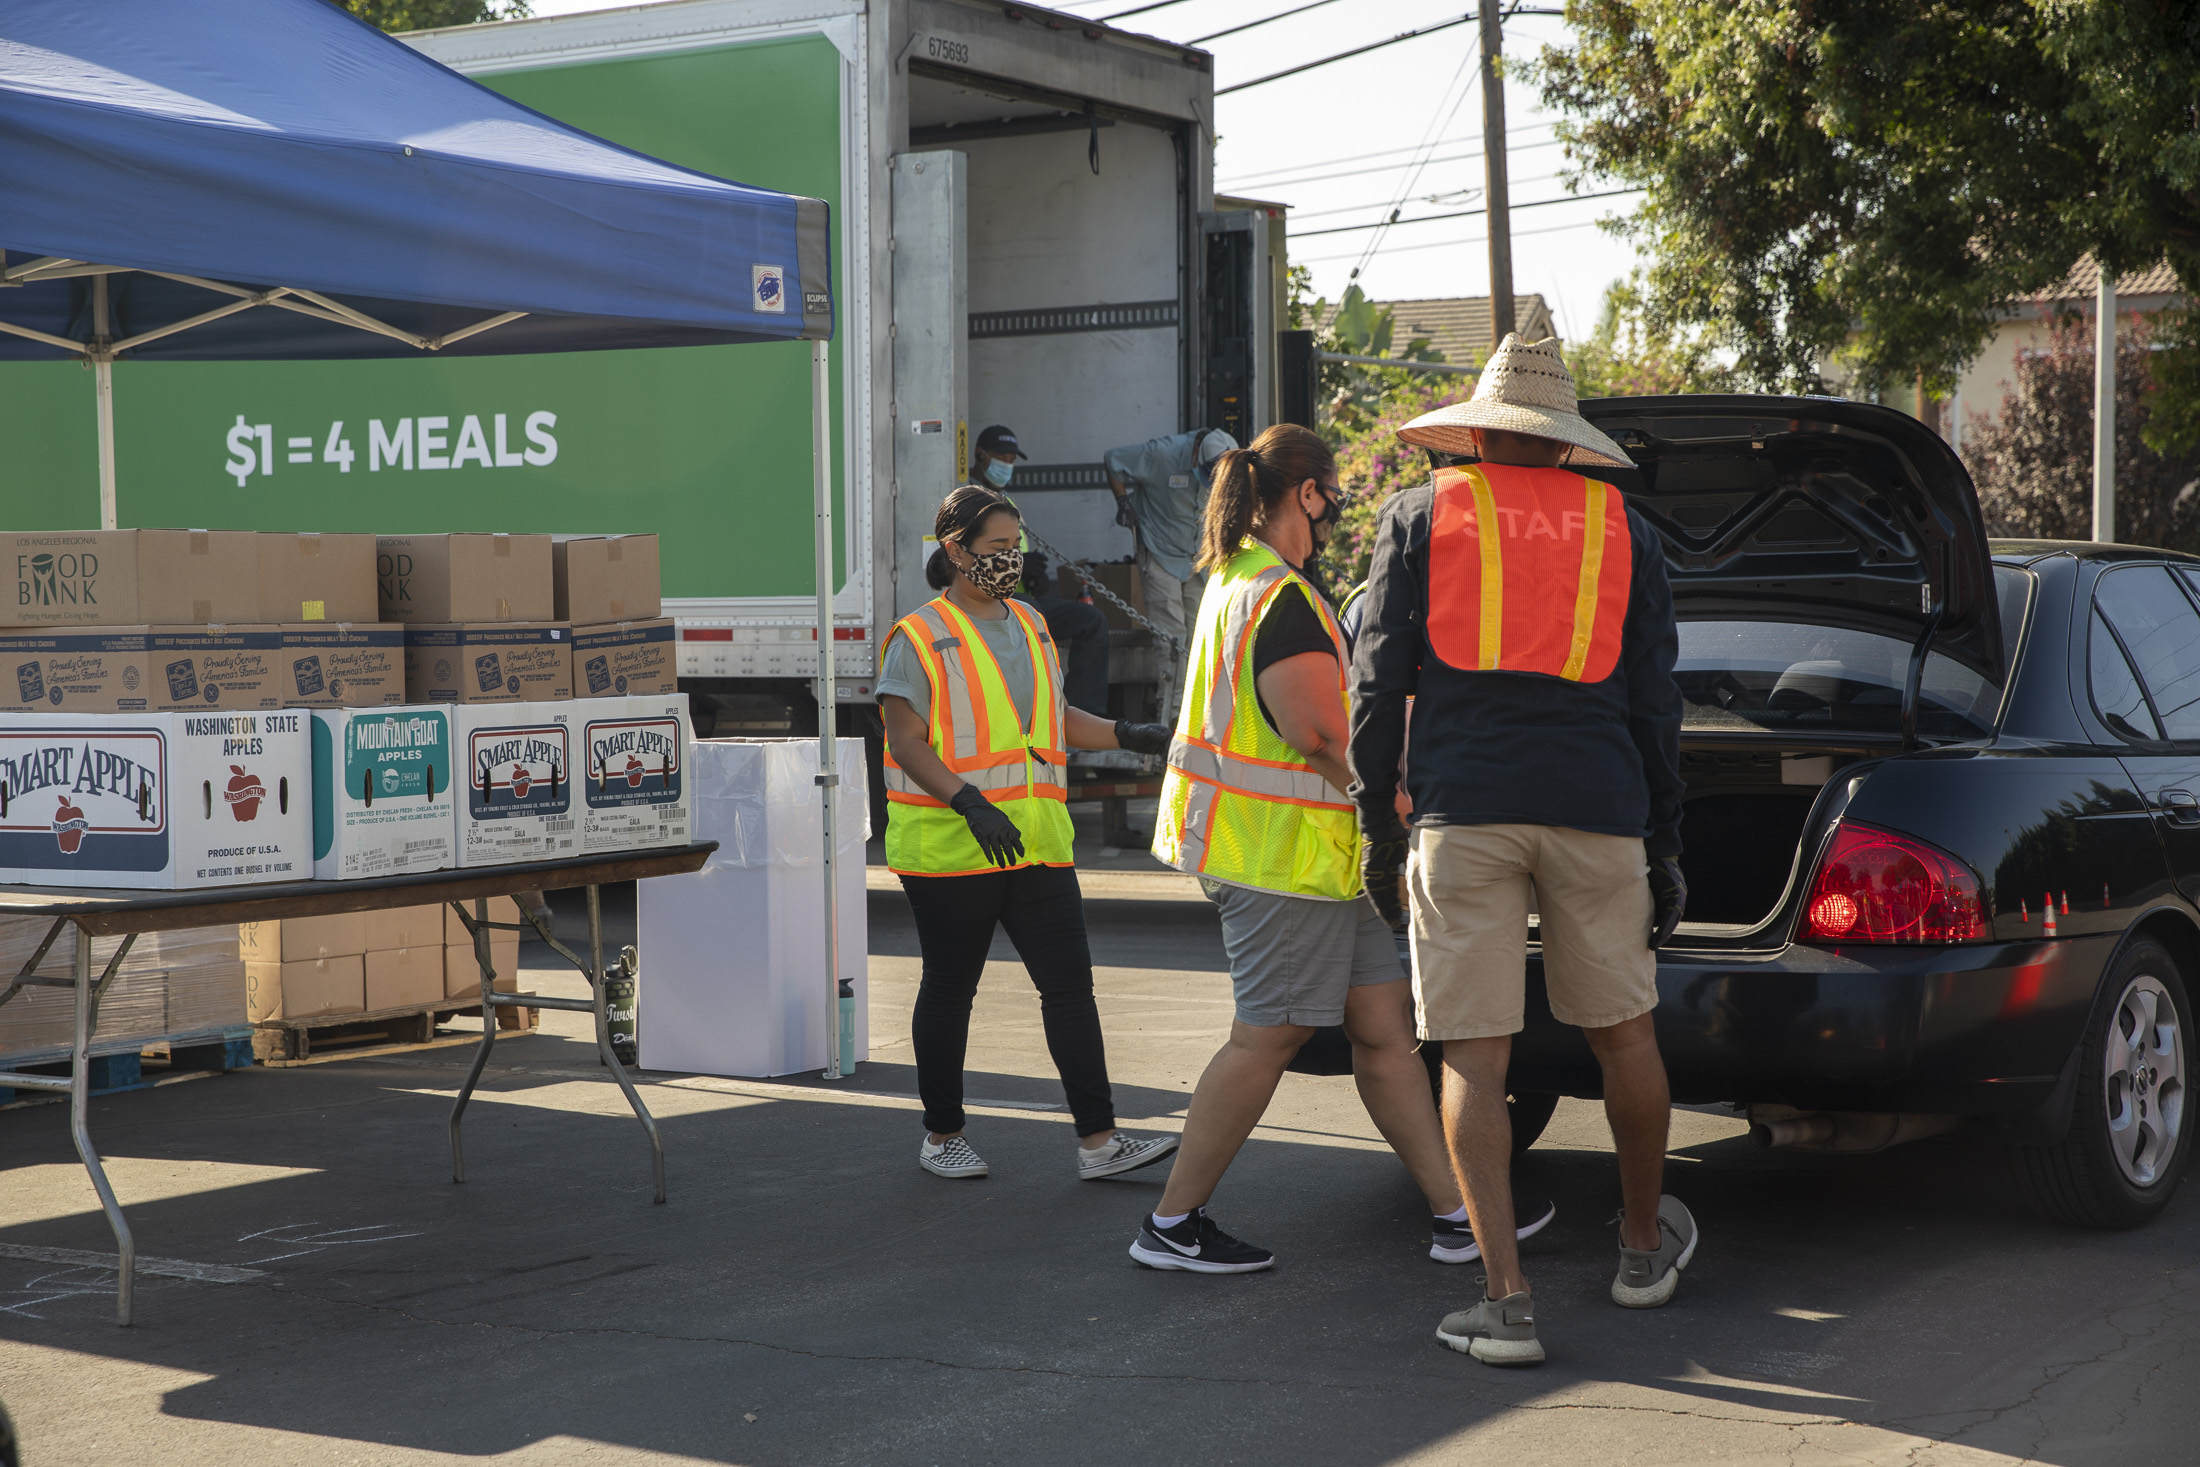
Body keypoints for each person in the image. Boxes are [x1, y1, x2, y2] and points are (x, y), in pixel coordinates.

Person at [1349, 335, 1695, 1367]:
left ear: (1483, 428)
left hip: (1463, 815)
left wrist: (1378, 827)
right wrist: (1665, 842)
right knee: (1625, 1037)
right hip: (1599, 810)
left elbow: (1375, 688)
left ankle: (1505, 1305)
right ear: (1562, 442)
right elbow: (1656, 705)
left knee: (1472, 1055)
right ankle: (1640, 1252)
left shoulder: (1418, 515)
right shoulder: (1624, 529)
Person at [1126, 424, 1477, 1276]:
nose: (1335, 517)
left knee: (1385, 1029)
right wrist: (1393, 802)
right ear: (1308, 494)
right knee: (1267, 1037)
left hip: (1314, 862)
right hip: (1280, 862)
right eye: (1331, 498)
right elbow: (1318, 729)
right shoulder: (1278, 594)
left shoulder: (1242, 579)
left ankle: (1457, 1214)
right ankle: (1172, 1223)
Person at [878, 483, 1180, 1182]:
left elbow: (1055, 716)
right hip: (952, 848)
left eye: (1016, 547)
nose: (1009, 560)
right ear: (955, 551)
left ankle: (1100, 1141)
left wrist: (1128, 734)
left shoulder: (1033, 624)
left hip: (1036, 841)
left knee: (1071, 985)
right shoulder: (918, 636)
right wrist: (969, 802)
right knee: (951, 989)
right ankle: (942, 1132)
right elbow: (906, 740)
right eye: (995, 549)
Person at [971, 423, 1112, 716]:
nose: (1007, 466)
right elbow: (970, 561)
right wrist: (1020, 568)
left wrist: (1035, 577)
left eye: (1011, 460)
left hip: (1021, 598)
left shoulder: (1007, 502)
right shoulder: (968, 500)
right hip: (990, 602)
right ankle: (1037, 712)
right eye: (1001, 458)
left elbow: (1021, 550)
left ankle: (1082, 714)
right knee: (1031, 613)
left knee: (1091, 620)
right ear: (980, 455)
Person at [1104, 427, 1238, 726]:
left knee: (1200, 631)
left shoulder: (1232, 467)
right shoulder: (1160, 454)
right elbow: (1113, 460)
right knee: (1171, 635)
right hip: (1159, 549)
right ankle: (1171, 715)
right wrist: (1123, 501)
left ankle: (1198, 712)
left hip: (1197, 555)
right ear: (1195, 455)